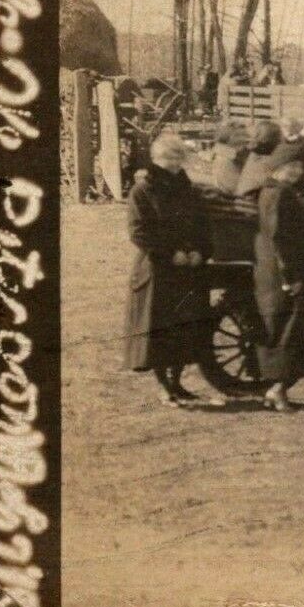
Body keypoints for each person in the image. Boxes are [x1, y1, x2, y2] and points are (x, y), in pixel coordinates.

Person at [124, 133, 220, 407]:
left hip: (189, 269)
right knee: (161, 332)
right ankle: (164, 386)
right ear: (157, 159)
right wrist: (170, 253)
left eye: (179, 157)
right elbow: (139, 231)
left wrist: (200, 251)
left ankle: (178, 382)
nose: (175, 163)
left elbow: (203, 225)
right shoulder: (143, 191)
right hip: (159, 270)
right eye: (170, 158)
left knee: (186, 329)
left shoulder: (188, 189)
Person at [252, 141, 304, 412]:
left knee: (286, 330)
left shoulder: (274, 190)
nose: (296, 171)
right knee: (289, 332)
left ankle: (277, 389)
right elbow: (279, 238)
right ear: (277, 168)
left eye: (299, 166)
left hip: (277, 271)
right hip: (281, 274)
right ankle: (277, 390)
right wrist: (290, 276)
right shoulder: (280, 194)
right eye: (291, 166)